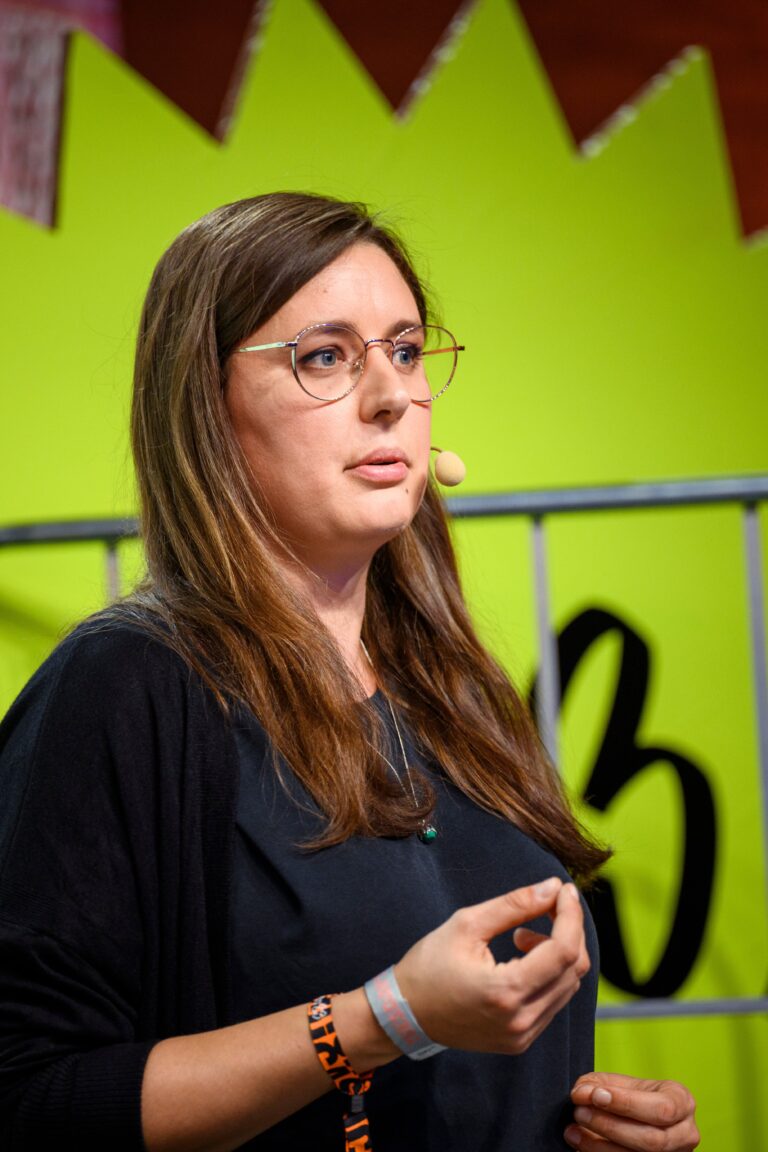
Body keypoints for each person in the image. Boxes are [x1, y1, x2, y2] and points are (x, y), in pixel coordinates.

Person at [0, 192, 699, 1152]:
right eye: (325, 357)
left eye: (406, 351)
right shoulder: (128, 685)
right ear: (205, 406)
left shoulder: (452, 688)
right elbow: (29, 1095)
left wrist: (587, 1127)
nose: (391, 396)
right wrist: (387, 1016)